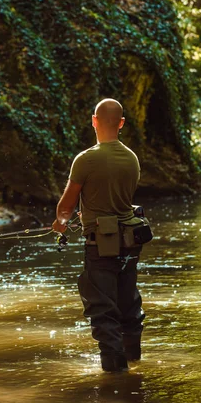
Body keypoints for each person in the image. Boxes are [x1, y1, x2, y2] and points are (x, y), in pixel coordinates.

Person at [52, 98, 145, 373]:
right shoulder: (131, 158)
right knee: (129, 308)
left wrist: (61, 223)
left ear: (94, 121)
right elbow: (119, 199)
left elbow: (66, 207)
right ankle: (135, 366)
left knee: (104, 314)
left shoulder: (86, 159)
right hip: (130, 244)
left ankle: (115, 381)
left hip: (100, 248)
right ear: (121, 123)